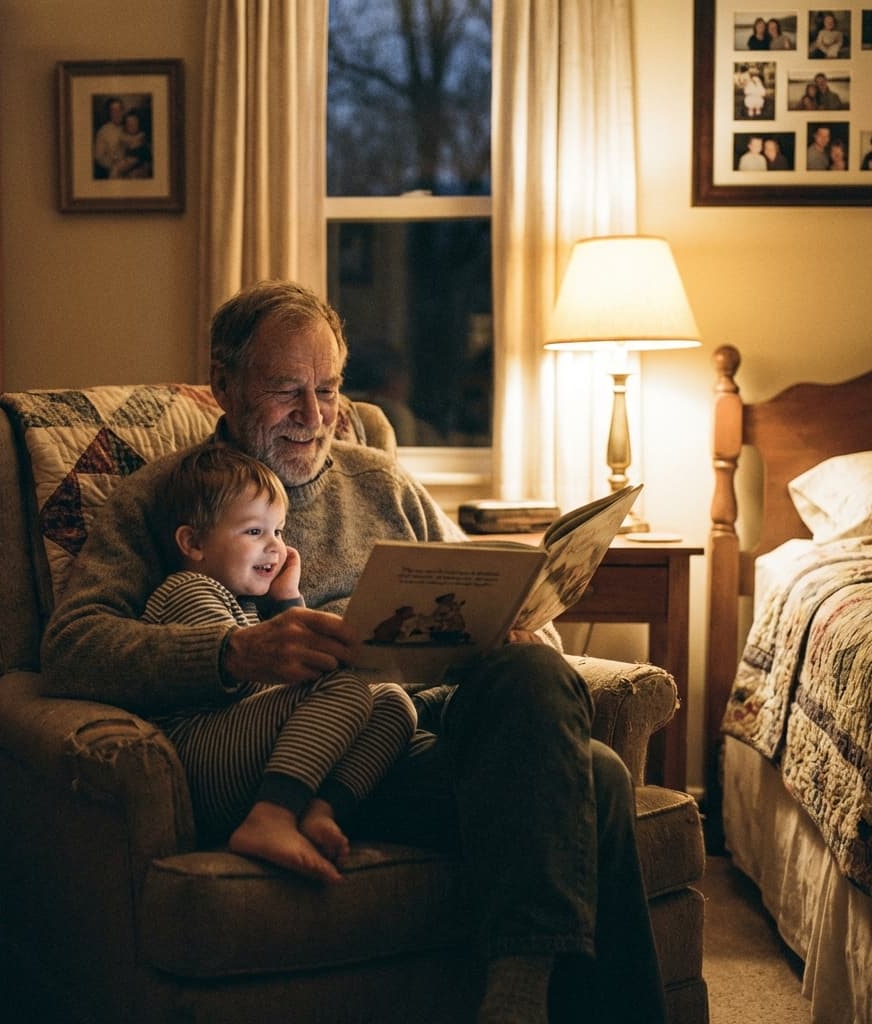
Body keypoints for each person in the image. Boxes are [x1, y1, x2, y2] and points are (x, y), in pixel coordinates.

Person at [41, 280, 667, 1023]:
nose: (315, 418)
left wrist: (518, 627)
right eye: (287, 392)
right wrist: (235, 652)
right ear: (224, 385)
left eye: (329, 390)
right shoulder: (167, 499)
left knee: (537, 674)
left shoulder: (383, 482)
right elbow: (73, 648)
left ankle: (519, 994)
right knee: (593, 779)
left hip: (423, 726)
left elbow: (500, 601)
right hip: (300, 763)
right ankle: (520, 997)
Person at [141, 442, 416, 883]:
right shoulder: (187, 591)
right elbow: (246, 684)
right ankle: (269, 818)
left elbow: (287, 682)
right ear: (192, 542)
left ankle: (318, 811)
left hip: (253, 753)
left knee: (392, 701)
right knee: (344, 687)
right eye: (254, 533)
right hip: (203, 758)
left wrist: (288, 599)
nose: (275, 548)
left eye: (280, 532)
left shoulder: (246, 604)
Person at [93, 97, 126, 179]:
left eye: (119, 110)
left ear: (123, 111)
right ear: (109, 113)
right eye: (113, 111)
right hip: (113, 173)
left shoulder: (129, 126)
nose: (117, 113)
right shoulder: (103, 131)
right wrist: (114, 164)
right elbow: (98, 157)